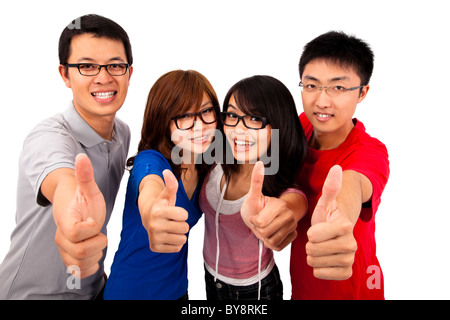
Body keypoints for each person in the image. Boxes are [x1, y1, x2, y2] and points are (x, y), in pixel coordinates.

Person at [0, 14, 133, 300]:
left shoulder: (122, 134)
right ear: (65, 75)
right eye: (86, 66)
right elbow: (63, 183)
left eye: (115, 65)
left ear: (129, 72)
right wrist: (71, 213)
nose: (104, 77)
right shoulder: (47, 137)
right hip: (30, 295)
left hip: (93, 290)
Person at [103, 70, 221, 300]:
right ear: (163, 120)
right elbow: (150, 187)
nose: (199, 127)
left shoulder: (207, 164)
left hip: (177, 291)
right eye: (184, 115)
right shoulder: (150, 160)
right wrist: (152, 213)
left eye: (206, 111)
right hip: (130, 293)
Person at [290, 31, 390, 300]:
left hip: (354, 290)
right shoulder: (301, 126)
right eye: (311, 85)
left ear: (362, 92)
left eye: (338, 87)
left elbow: (352, 183)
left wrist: (339, 219)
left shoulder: (370, 151)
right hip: (302, 288)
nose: (322, 101)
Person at [200, 75, 308, 300]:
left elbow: (291, 205)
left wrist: (279, 217)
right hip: (210, 277)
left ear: (279, 124)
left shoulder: (280, 187)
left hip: (255, 291)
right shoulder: (214, 163)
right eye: (232, 115)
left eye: (255, 118)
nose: (238, 130)